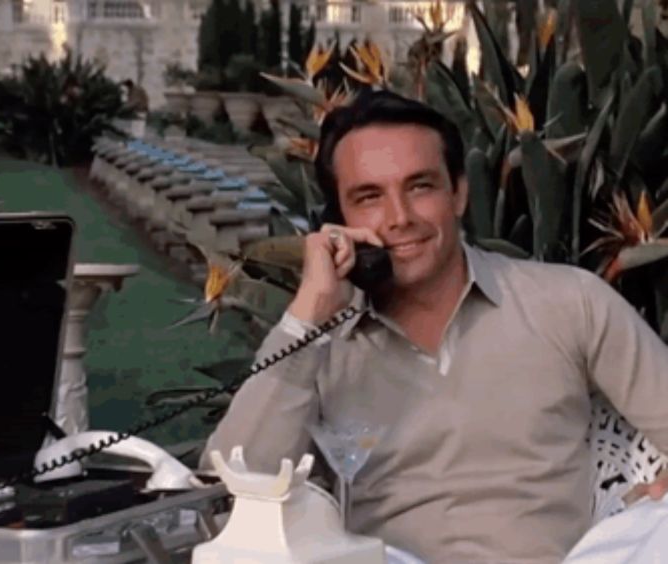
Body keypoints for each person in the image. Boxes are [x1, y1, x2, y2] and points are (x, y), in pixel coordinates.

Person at [199, 89, 668, 563]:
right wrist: (309, 317)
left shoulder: (568, 301)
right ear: (339, 220)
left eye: (420, 187)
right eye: (369, 197)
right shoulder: (320, 339)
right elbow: (229, 501)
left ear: (458, 193)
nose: (400, 218)